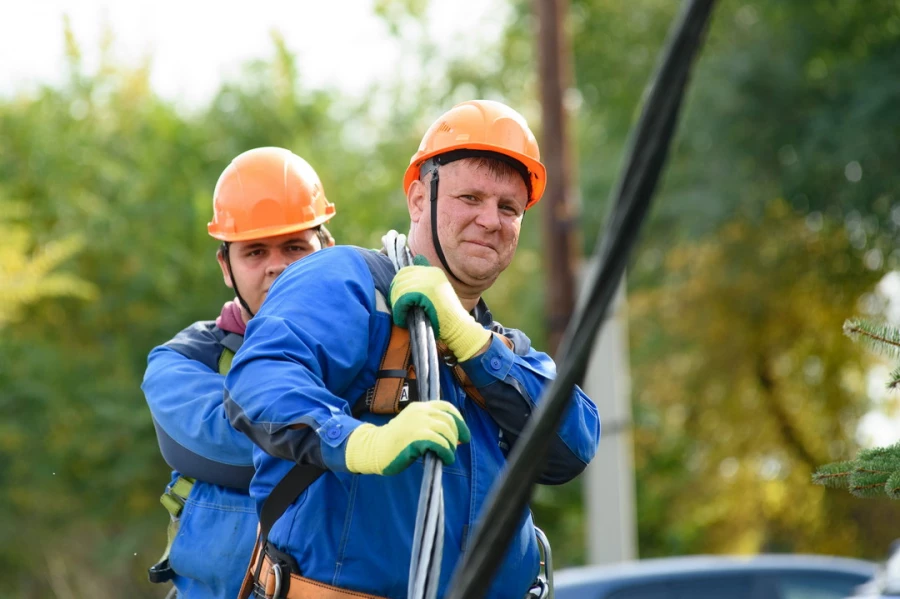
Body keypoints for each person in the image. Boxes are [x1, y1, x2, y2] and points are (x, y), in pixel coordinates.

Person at [225, 100, 601, 599]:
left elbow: (574, 444)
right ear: (420, 198)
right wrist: (360, 442)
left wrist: (470, 341)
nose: (491, 220)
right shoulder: (349, 284)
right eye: (470, 197)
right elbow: (259, 379)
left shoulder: (503, 353)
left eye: (508, 207)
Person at [142, 147, 337, 599]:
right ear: (225, 267)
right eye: (254, 251)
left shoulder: (377, 346)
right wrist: (359, 429)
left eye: (295, 246)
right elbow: (242, 444)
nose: (277, 266)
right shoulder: (183, 362)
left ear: (326, 250)